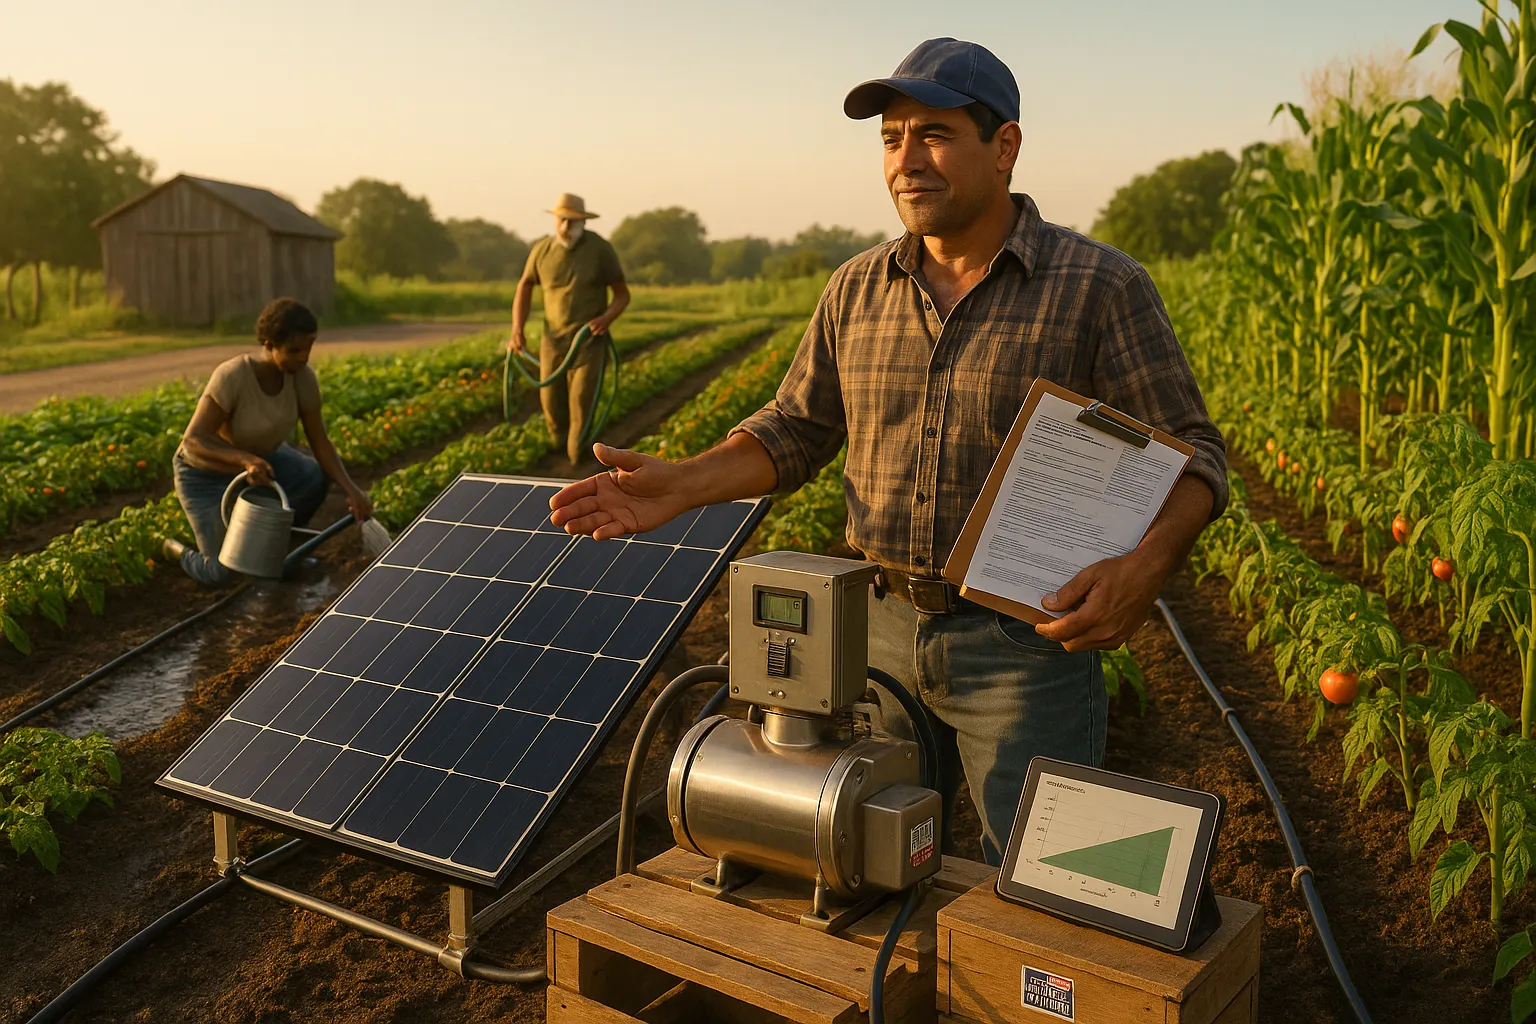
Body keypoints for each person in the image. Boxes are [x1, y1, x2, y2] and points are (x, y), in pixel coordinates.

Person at [547, 38, 1228, 865]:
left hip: (1021, 647)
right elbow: (795, 428)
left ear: (1004, 146)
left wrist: (1146, 566)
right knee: (875, 862)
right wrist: (683, 485)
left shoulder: (1098, 287)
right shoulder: (858, 287)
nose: (908, 160)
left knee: (1045, 879)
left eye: (934, 134)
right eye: (891, 138)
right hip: (873, 632)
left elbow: (1194, 454)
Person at [162, 298, 373, 585]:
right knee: (224, 572)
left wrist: (352, 489)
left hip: (261, 464)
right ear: (269, 344)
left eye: (308, 348)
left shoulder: (302, 379)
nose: (303, 357)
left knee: (314, 475)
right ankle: (171, 548)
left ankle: (280, 545)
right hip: (205, 475)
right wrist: (245, 460)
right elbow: (193, 442)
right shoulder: (234, 376)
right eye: (294, 350)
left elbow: (320, 441)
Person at [509, 193, 630, 463]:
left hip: (588, 342)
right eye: (562, 220)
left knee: (580, 408)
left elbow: (622, 294)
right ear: (555, 220)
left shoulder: (600, 250)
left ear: (583, 223)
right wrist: (517, 328)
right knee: (552, 408)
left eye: (572, 222)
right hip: (553, 341)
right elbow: (525, 286)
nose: (566, 227)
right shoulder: (542, 250)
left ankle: (576, 461)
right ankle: (556, 452)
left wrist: (606, 318)